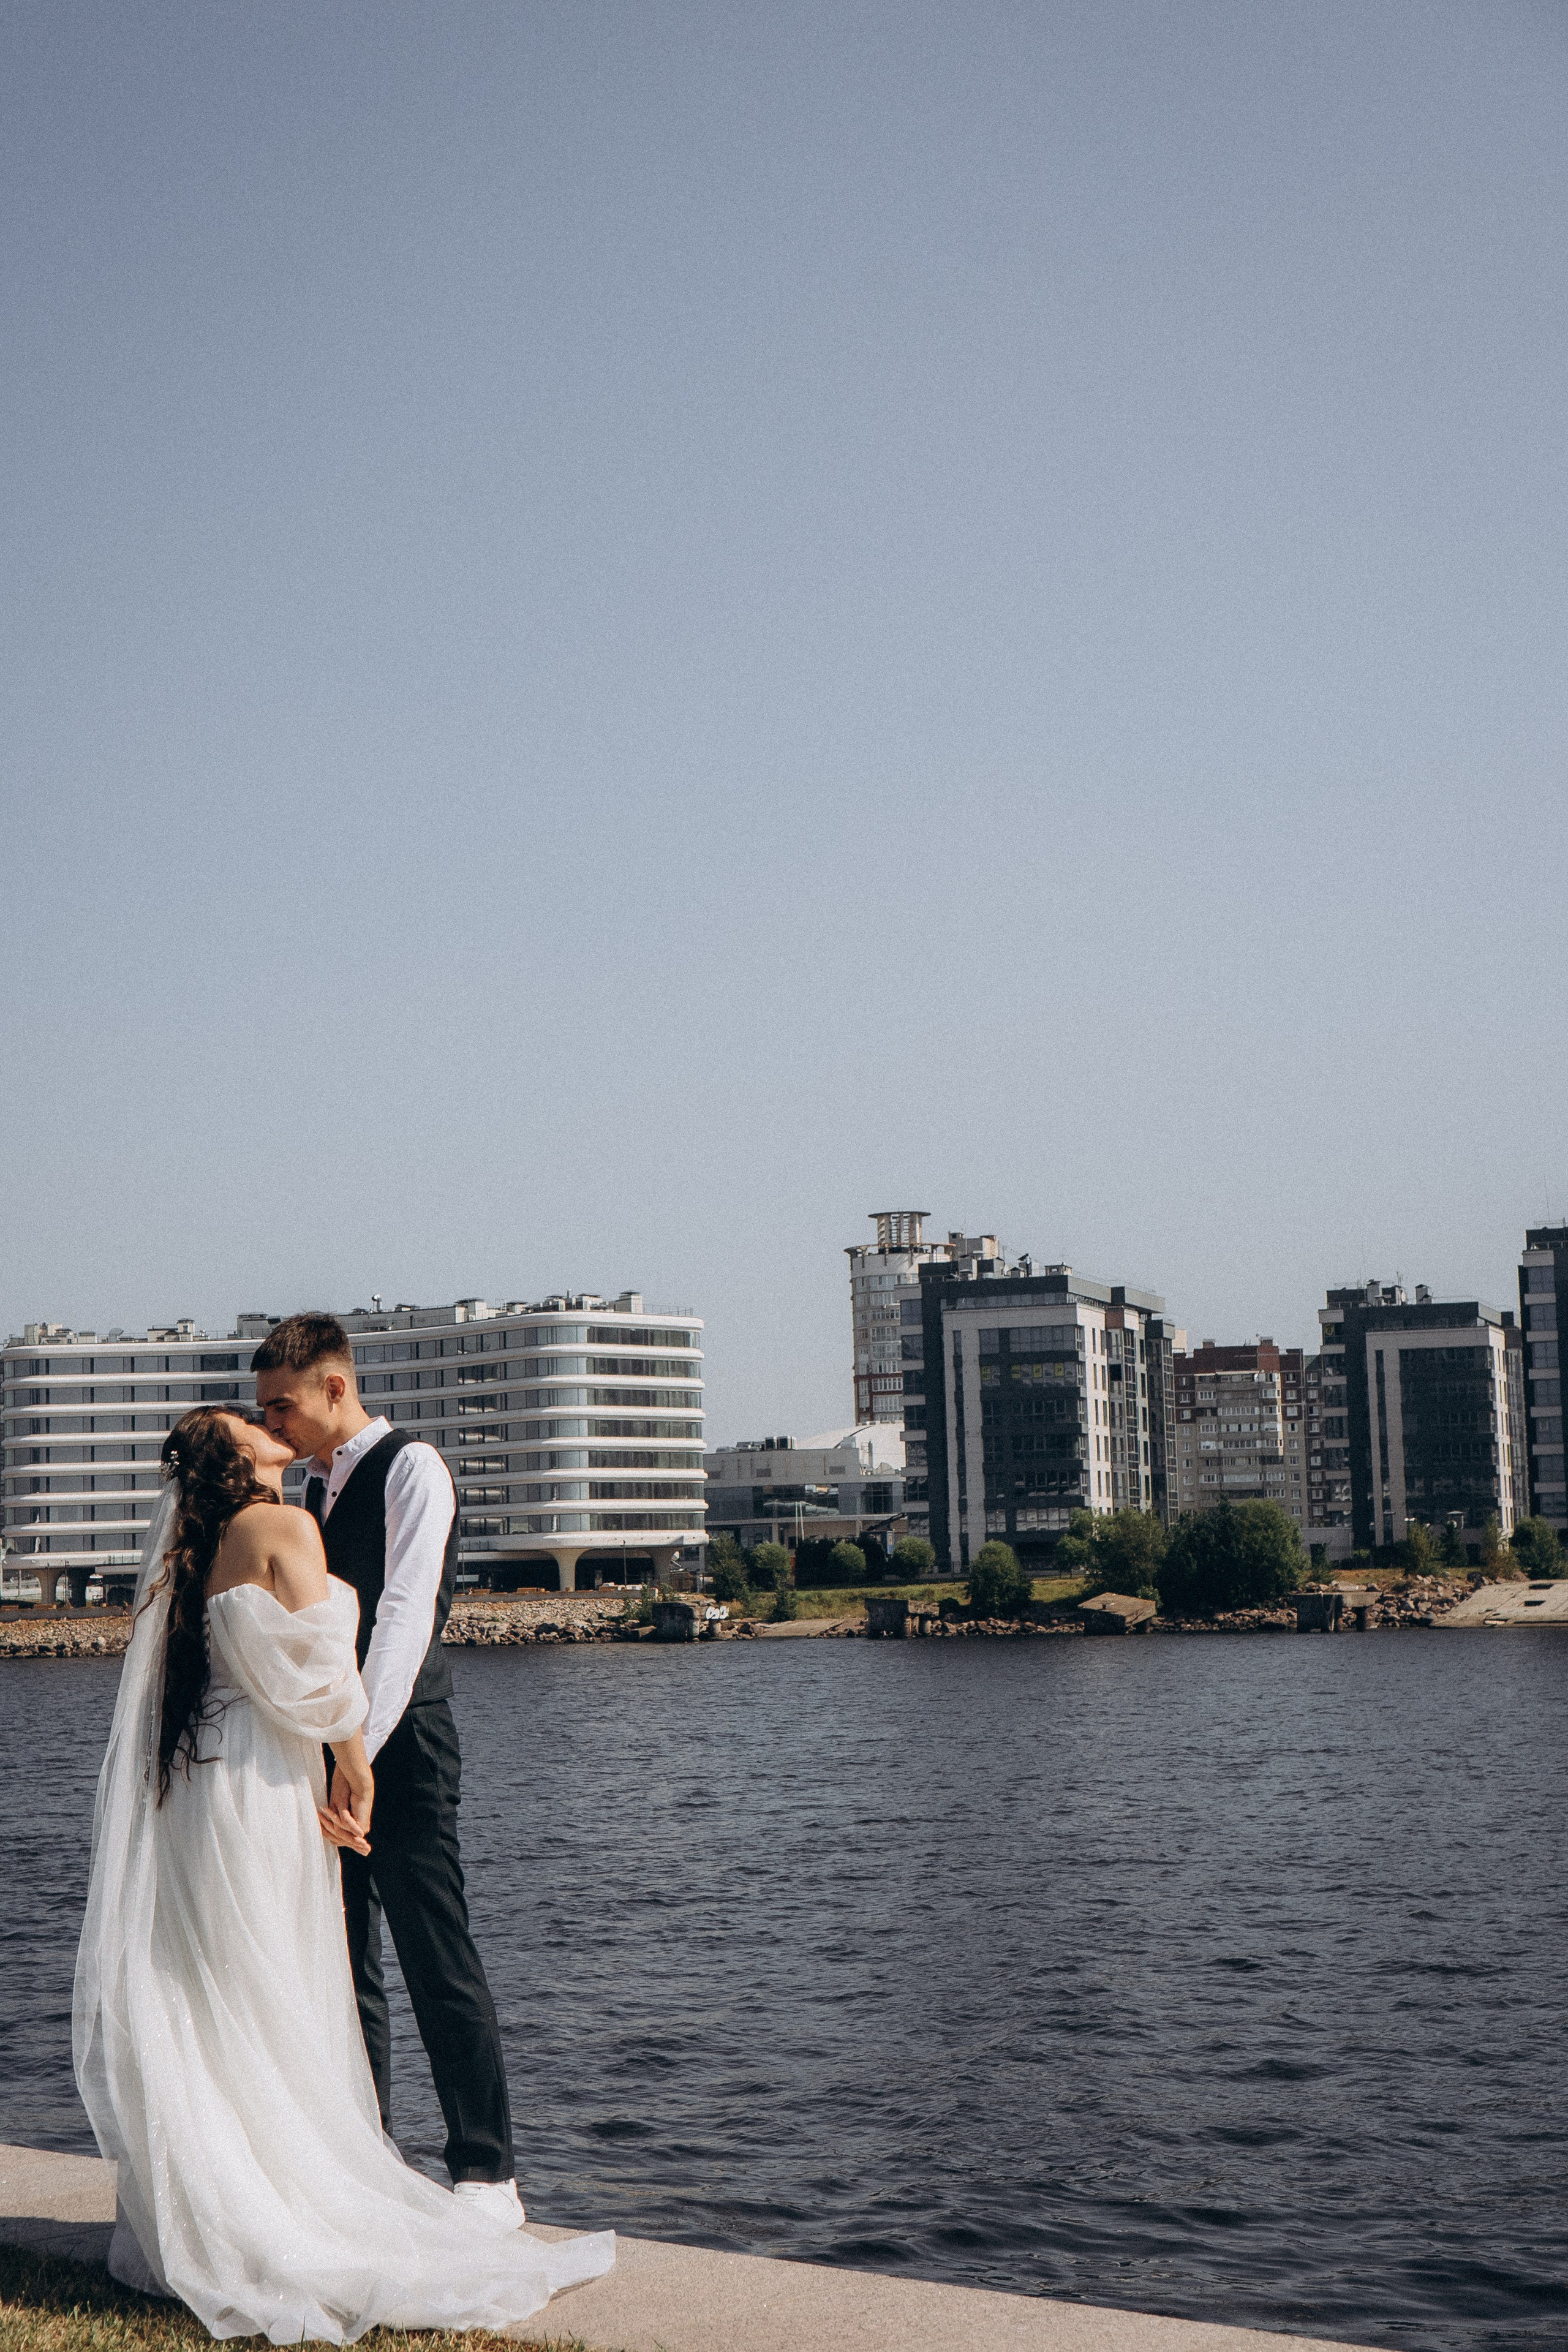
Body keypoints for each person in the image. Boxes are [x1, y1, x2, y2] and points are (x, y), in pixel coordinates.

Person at [73, 1404, 613, 2340]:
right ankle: (296, 2201)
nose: (264, 1418)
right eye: (250, 1421)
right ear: (241, 1458)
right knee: (281, 1977)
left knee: (217, 1987)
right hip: (266, 1779)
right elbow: (327, 1673)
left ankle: (217, 2199)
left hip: (199, 1790)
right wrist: (354, 1764)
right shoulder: (286, 1524)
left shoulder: (190, 1551)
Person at [248, 1313, 519, 2220]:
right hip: (326, 1752)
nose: (273, 1425)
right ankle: (368, 2161)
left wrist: (356, 1749)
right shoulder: (304, 1495)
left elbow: (406, 1621)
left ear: (336, 1386)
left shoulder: (414, 1468)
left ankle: (487, 2175)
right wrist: (326, 1749)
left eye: (282, 1406)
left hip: (400, 1749)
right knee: (347, 1963)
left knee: (435, 1956)